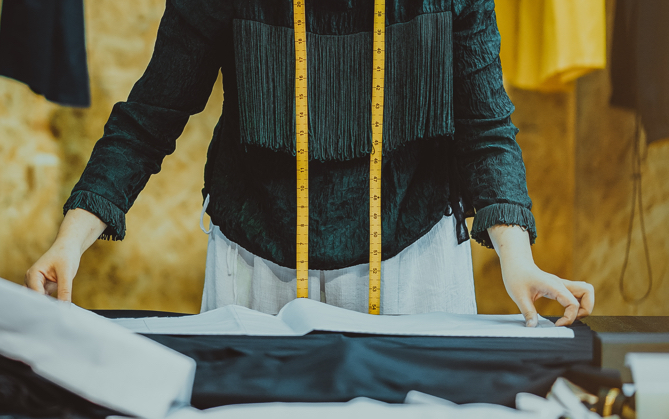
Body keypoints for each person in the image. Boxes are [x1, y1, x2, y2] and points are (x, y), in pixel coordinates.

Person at [25, 0, 594, 326]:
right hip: (258, 258)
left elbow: (485, 126)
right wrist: (71, 239)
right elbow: (151, 115)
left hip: (411, 257)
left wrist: (517, 258)